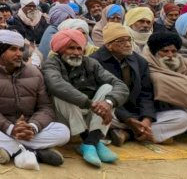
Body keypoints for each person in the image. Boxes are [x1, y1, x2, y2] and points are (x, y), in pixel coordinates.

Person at [0, 30, 70, 171]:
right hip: (0, 128)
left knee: (63, 132)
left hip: (28, 129)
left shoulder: (34, 73)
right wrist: (10, 128)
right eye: (13, 49)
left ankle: (12, 149)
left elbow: (45, 107)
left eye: (21, 49)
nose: (19, 54)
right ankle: (28, 152)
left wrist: (33, 127)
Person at [92, 23, 187, 145]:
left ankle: (128, 134)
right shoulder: (95, 62)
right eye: (121, 41)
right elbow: (100, 96)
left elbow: (146, 93)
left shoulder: (139, 61)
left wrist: (147, 118)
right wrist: (129, 120)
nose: (128, 44)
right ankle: (141, 132)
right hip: (115, 112)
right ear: (109, 45)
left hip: (138, 112)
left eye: (129, 40)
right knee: (98, 113)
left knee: (182, 118)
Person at [42, 29, 129, 167]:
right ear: (60, 49)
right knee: (62, 93)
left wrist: (108, 103)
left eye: (79, 48)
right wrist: (91, 104)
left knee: (108, 89)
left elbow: (120, 85)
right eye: (71, 48)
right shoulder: (51, 63)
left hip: (89, 114)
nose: (76, 53)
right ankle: (89, 141)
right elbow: (56, 85)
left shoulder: (91, 63)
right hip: (64, 118)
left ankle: (91, 142)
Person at [141, 32, 187, 111]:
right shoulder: (148, 68)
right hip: (161, 109)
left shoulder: (180, 60)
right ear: (154, 52)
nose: (170, 55)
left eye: (173, 51)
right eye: (165, 51)